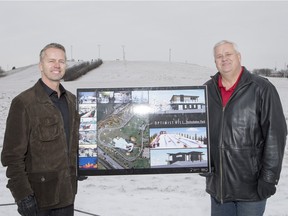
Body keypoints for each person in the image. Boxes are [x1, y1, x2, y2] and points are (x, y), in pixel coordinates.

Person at [203, 40, 287, 216]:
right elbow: (199, 130)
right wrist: (203, 162)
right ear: (215, 62)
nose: (224, 59)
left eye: (228, 54)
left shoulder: (262, 88)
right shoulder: (206, 90)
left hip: (252, 187)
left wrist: (269, 178)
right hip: (219, 188)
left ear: (238, 57)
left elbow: (275, 135)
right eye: (219, 56)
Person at [1, 43, 80, 216]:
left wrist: (79, 166)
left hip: (67, 196)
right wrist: (23, 196)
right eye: (51, 60)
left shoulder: (73, 101)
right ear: (40, 66)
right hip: (39, 200)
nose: (57, 65)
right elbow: (11, 156)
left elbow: (72, 143)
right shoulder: (24, 103)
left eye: (61, 61)